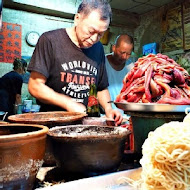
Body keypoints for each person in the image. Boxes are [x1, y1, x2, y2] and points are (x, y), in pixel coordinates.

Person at [27, 0, 122, 125]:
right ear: (77, 19)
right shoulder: (50, 40)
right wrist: (68, 103)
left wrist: (109, 109)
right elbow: (35, 86)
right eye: (91, 31)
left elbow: (100, 88)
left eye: (100, 34)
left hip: (85, 125)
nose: (94, 39)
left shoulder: (98, 48)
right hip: (53, 124)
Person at [105, 34, 135, 114]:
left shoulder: (131, 67)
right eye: (122, 52)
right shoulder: (102, 63)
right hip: (106, 114)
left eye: (128, 54)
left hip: (126, 116)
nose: (124, 57)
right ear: (114, 48)